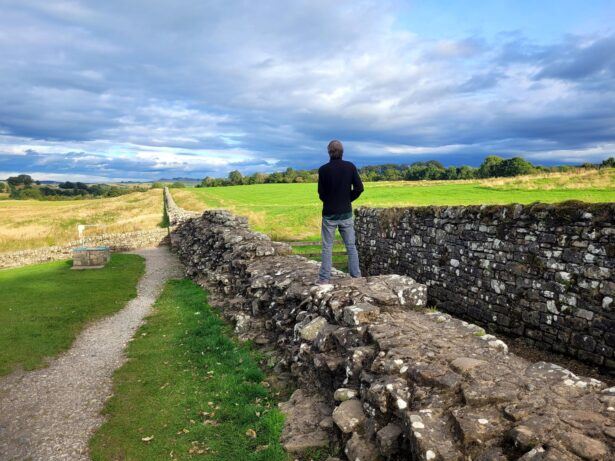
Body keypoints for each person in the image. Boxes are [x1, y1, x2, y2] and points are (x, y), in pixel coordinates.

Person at [316, 140, 364, 284]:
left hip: (329, 214)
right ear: (342, 152)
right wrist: (347, 199)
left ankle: (324, 279)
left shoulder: (323, 169)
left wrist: (330, 201)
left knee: (327, 247)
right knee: (351, 246)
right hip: (346, 213)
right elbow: (359, 188)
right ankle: (356, 277)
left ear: (329, 152)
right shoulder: (350, 167)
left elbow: (321, 193)